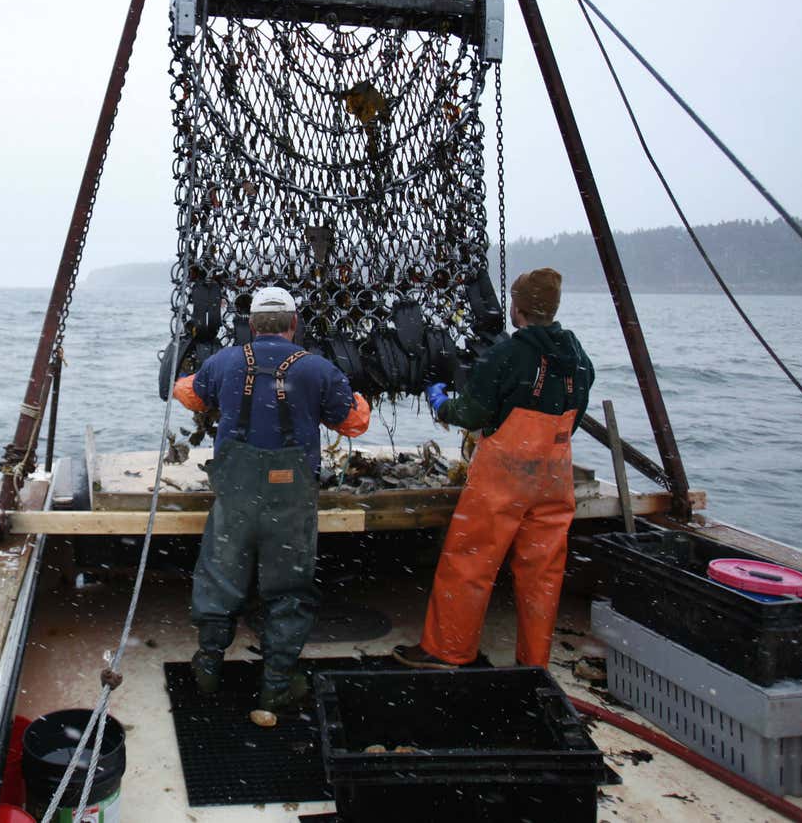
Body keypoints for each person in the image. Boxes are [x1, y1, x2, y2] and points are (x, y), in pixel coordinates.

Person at [172, 286, 371, 719]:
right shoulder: (317, 369)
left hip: (236, 496)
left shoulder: (224, 361)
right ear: (293, 324)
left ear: (251, 324)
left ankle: (208, 666)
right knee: (288, 590)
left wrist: (193, 379)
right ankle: (276, 685)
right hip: (290, 499)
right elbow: (354, 422)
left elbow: (188, 395)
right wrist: (353, 394)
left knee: (219, 576)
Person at [394, 268, 594, 670]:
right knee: (543, 572)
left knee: (471, 561)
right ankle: (534, 663)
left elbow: (472, 412)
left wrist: (440, 403)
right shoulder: (578, 356)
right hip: (555, 478)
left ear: (517, 309)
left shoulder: (509, 354)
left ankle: (448, 651)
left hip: (505, 477)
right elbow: (573, 416)